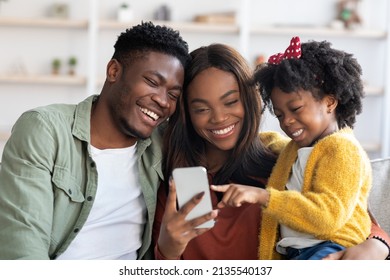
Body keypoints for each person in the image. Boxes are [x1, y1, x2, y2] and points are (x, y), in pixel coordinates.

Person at [152, 43, 390, 260]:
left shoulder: (284, 158)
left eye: (231, 102)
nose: (219, 118)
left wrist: (378, 245)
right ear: (187, 115)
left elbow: (355, 218)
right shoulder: (178, 180)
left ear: (249, 100)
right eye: (202, 109)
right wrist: (168, 248)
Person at [0, 21, 191, 260]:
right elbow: (22, 245)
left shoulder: (163, 144)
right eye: (152, 82)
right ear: (113, 71)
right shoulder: (45, 130)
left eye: (173, 95)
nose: (163, 101)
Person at [212, 37, 378, 260]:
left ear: (330, 102)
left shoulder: (342, 149)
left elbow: (327, 216)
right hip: (300, 252)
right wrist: (255, 137)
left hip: (329, 249)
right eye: (280, 115)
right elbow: (283, 149)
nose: (287, 121)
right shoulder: (301, 147)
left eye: (296, 109)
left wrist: (262, 196)